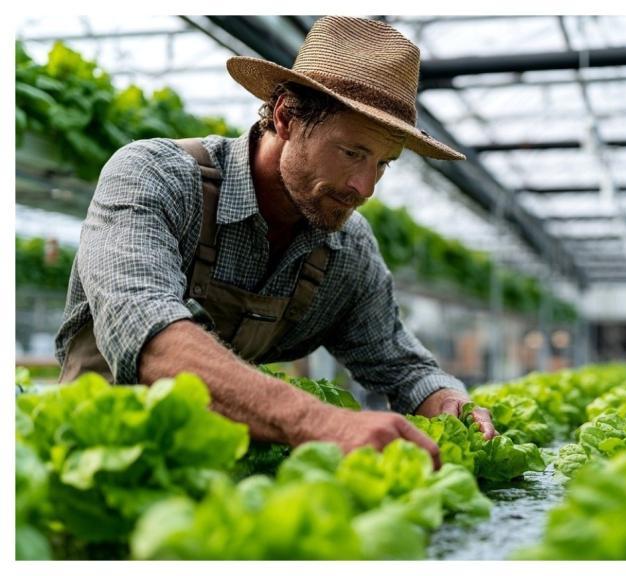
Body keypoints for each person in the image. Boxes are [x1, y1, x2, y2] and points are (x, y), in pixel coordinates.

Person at [54, 16, 497, 467]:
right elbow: (146, 331)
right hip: (88, 467)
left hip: (212, 476)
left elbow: (400, 364)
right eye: (352, 153)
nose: (365, 187)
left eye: (384, 163)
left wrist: (447, 401)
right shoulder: (156, 177)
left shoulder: (348, 248)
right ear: (285, 117)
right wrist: (317, 420)